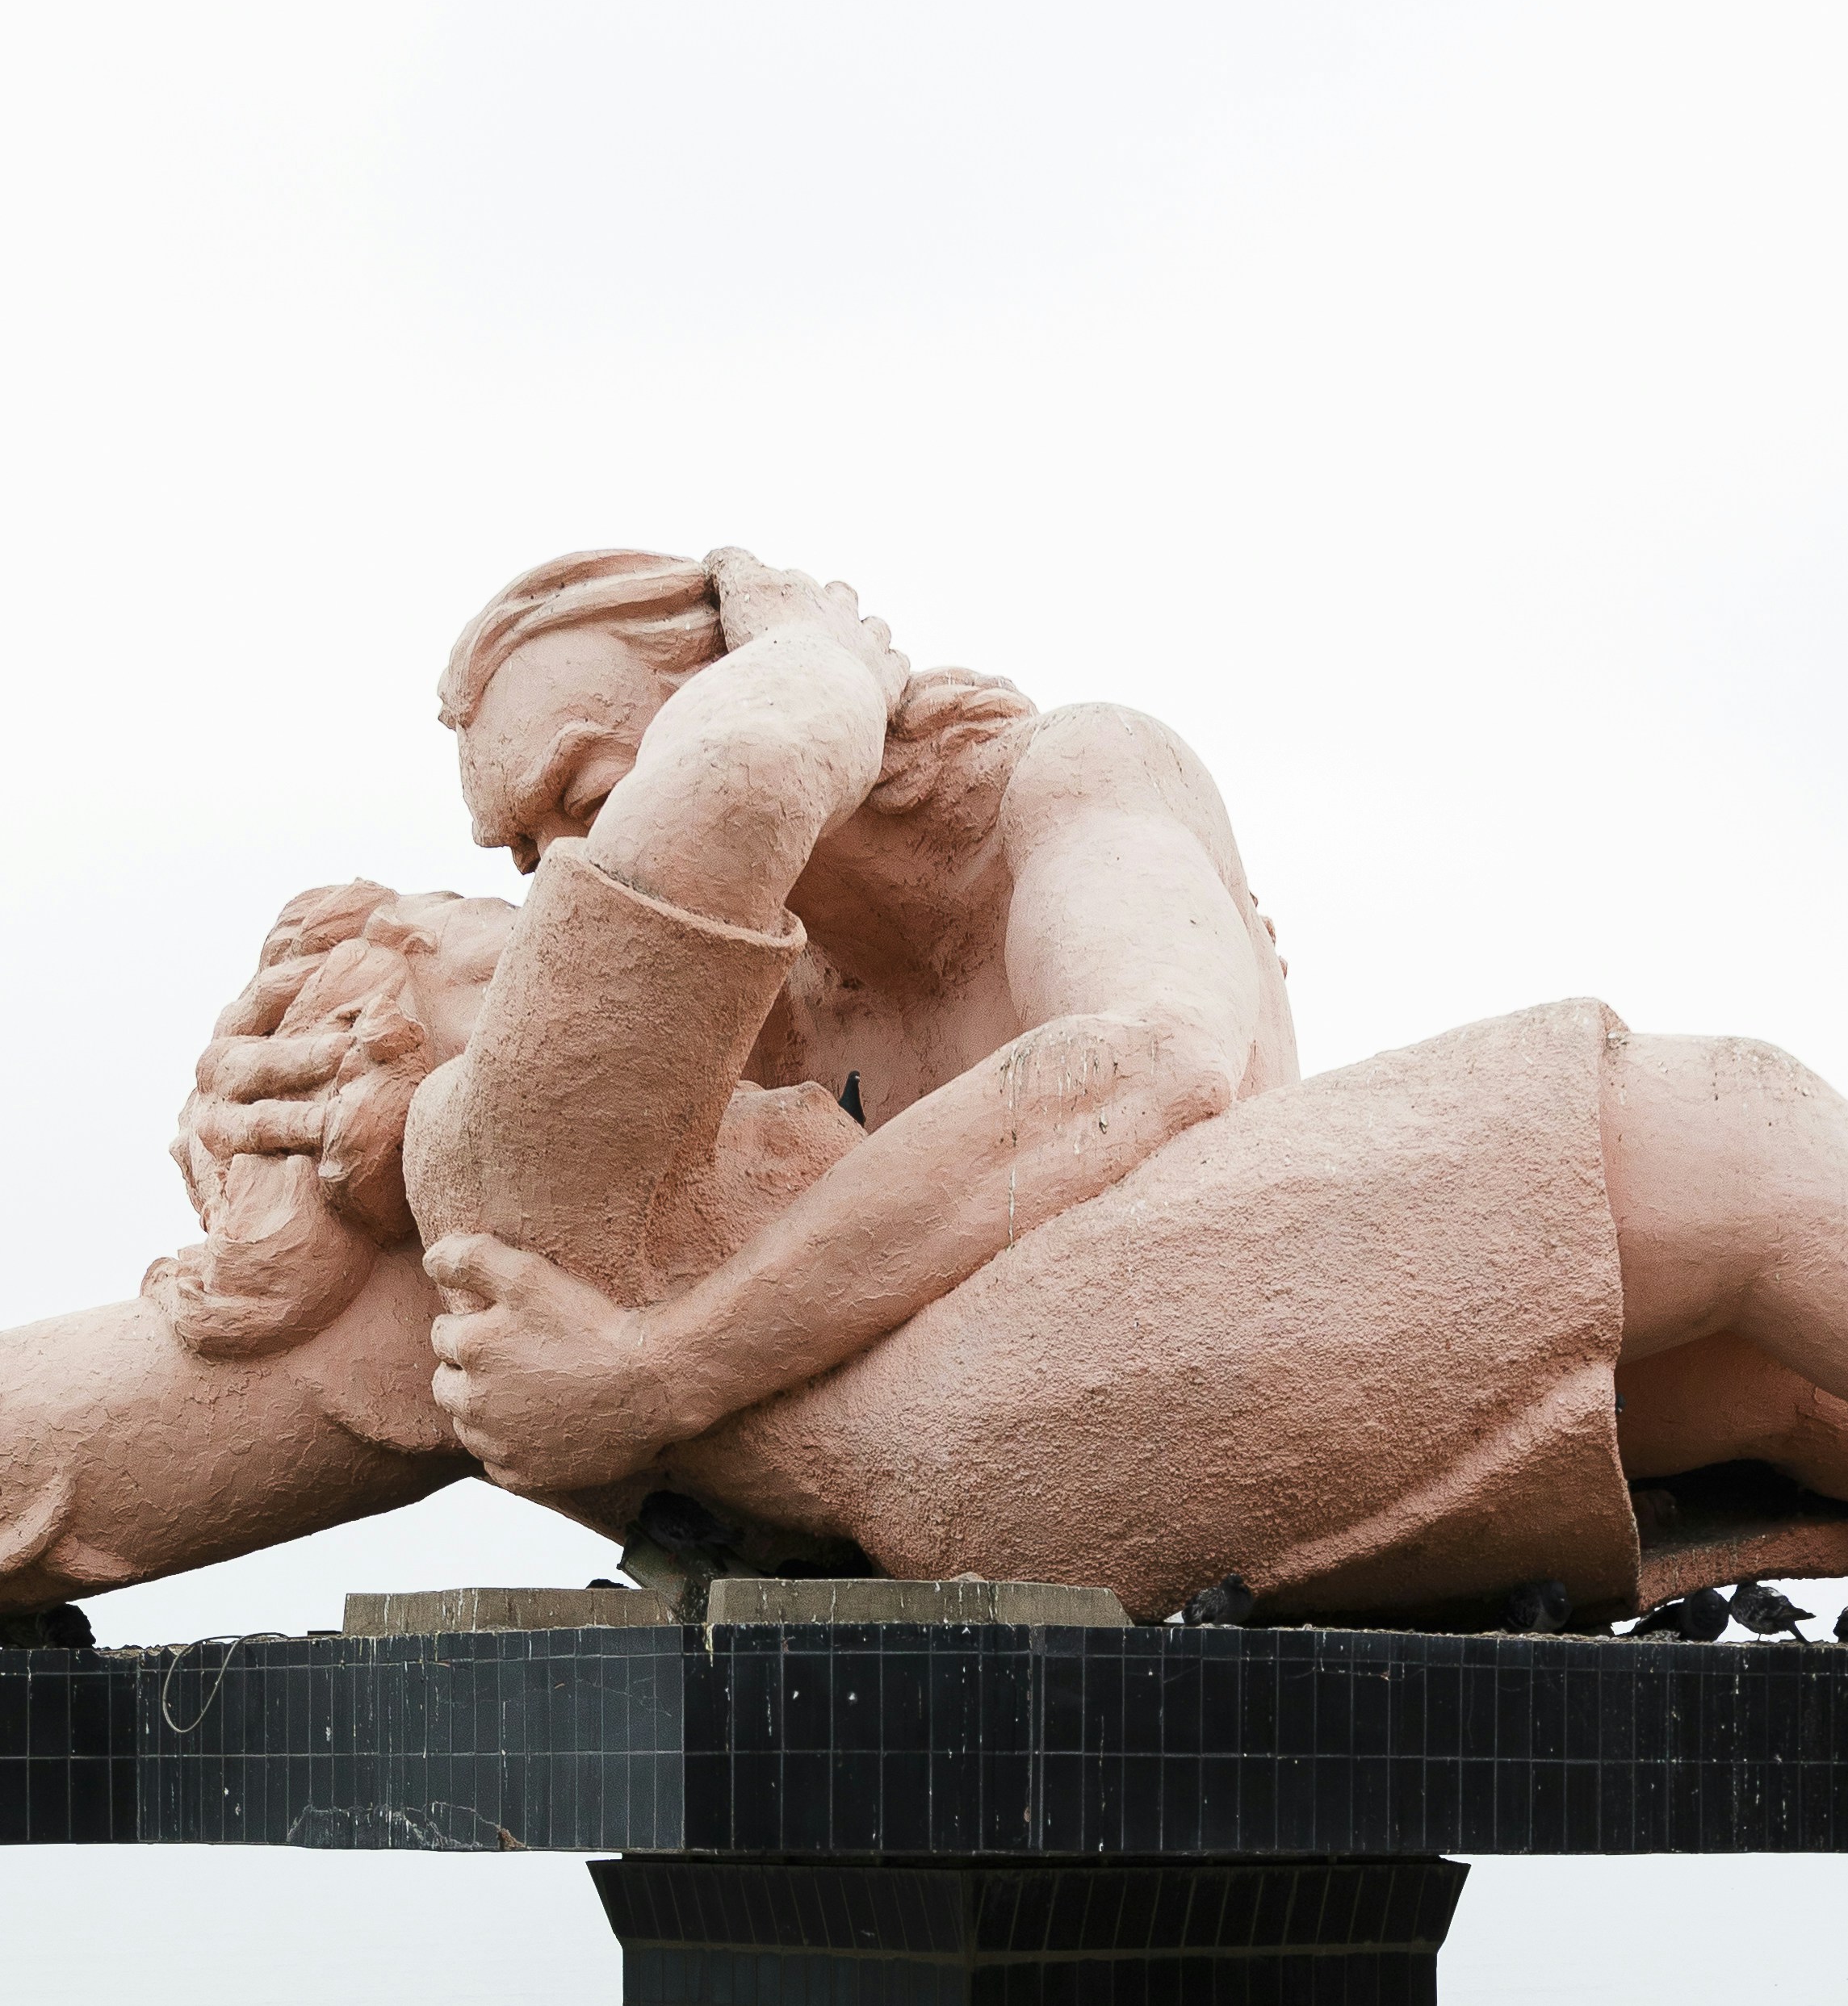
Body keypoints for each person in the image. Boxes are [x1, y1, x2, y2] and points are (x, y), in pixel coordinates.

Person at [4, 547, 1847, 1623]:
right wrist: (282, 1120)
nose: (568, 869)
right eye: (522, 848)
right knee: (1726, 1187)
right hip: (1083, 1443)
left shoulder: (1068, 785)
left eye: (585, 790)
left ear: (732, 692)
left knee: (1751, 1347)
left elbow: (1149, 1066)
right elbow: (548, 1179)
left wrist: (672, 1365)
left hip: (1258, 1313)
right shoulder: (746, 1000)